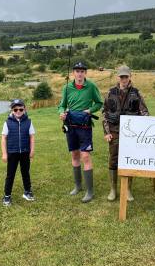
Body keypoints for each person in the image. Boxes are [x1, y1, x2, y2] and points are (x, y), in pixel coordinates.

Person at [102, 65, 149, 201]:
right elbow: (104, 113)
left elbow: (144, 112)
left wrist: (143, 130)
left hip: (131, 134)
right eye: (121, 76)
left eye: (126, 76)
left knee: (130, 160)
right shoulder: (110, 93)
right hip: (114, 132)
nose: (124, 79)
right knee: (113, 160)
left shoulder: (137, 93)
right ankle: (113, 189)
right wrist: (106, 132)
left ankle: (128, 189)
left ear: (130, 77)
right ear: (118, 77)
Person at [58, 62, 103, 203]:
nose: (79, 74)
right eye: (77, 71)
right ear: (73, 73)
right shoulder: (67, 87)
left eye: (82, 71)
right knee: (75, 155)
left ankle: (90, 191)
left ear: (85, 73)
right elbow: (62, 105)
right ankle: (78, 186)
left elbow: (99, 103)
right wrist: (61, 113)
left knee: (86, 156)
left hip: (85, 126)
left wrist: (90, 110)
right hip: (70, 125)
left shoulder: (91, 86)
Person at [1, 99, 35, 206]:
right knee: (10, 175)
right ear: (12, 110)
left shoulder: (29, 122)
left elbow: (32, 137)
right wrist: (4, 153)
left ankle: (27, 192)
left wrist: (32, 150)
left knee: (26, 173)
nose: (18, 111)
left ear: (24, 109)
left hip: (25, 152)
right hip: (12, 152)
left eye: (20, 109)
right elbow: (3, 138)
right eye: (15, 109)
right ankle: (7, 196)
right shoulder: (7, 123)